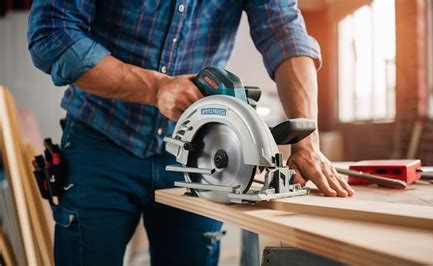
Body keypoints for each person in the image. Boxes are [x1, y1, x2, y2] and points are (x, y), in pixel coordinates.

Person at [28, 1, 354, 265]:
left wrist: (306, 139)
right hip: (101, 138)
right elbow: (52, 33)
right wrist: (156, 87)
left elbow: (285, 33)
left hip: (201, 155)